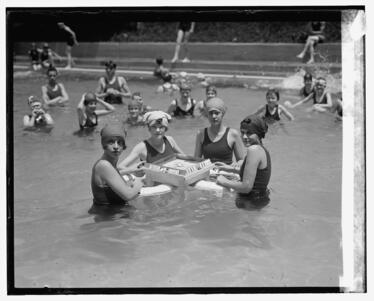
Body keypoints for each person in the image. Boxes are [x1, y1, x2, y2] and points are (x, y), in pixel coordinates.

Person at [215, 115, 271, 208]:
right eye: (242, 132)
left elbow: (246, 187)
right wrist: (230, 169)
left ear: (258, 134)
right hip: (260, 200)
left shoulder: (253, 150)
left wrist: (223, 181)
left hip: (249, 203)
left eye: (249, 133)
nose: (244, 137)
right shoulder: (262, 149)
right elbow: (257, 174)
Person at [91, 124, 144, 206]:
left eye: (120, 142)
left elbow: (114, 175)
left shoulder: (107, 164)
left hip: (111, 215)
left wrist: (131, 170)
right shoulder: (104, 165)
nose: (116, 146)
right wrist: (142, 178)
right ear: (103, 145)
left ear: (123, 146)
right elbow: (128, 195)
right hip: (110, 217)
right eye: (111, 142)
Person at [118, 111, 185, 174]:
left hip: (173, 179)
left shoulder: (170, 140)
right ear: (149, 129)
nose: (158, 130)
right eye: (154, 127)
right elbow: (120, 167)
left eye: (161, 127)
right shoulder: (141, 147)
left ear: (166, 129)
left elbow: (184, 157)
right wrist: (134, 170)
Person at [194, 97, 245, 165]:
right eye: (211, 113)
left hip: (227, 173)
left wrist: (234, 166)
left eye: (217, 113)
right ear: (207, 115)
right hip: (208, 173)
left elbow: (241, 160)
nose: (214, 116)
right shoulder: (201, 133)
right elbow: (196, 159)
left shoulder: (233, 134)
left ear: (222, 114)